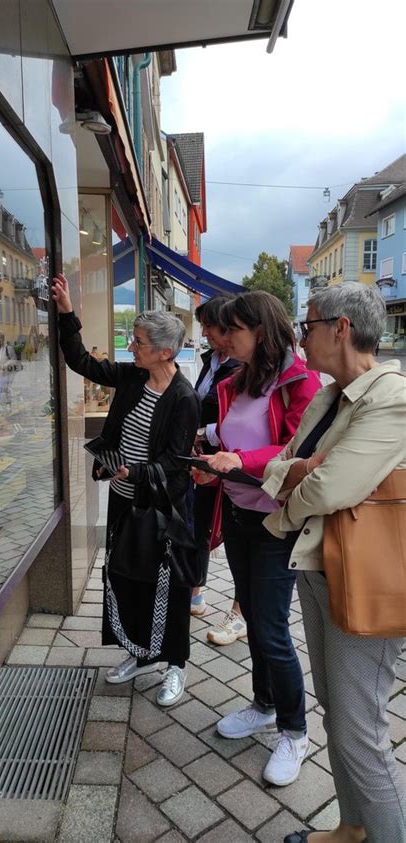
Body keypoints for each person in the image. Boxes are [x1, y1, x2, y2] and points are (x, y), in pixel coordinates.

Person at [262, 283, 406, 843]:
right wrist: (302, 474)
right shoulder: (329, 396)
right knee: (335, 714)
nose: (302, 336)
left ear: (340, 329)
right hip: (320, 567)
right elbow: (286, 465)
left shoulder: (390, 398)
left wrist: (302, 480)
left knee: (359, 733)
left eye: (308, 325)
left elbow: (329, 487)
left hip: (365, 580)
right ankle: (352, 828)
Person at [52, 274, 200, 707]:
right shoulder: (133, 378)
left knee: (165, 585)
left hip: (159, 507)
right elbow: (82, 362)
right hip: (123, 499)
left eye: (137, 342)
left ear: (164, 351)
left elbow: (176, 464)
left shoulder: (183, 399)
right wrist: (66, 313)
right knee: (124, 577)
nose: (129, 347)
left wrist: (134, 474)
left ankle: (175, 664)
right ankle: (140, 652)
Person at [195, 291, 321, 786]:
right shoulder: (238, 379)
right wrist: (213, 466)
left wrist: (238, 463)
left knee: (270, 629)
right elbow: (233, 441)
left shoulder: (301, 383)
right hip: (240, 514)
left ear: (261, 331)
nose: (221, 338)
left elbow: (297, 451)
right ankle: (264, 705)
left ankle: (295, 731)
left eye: (231, 330)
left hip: (275, 523)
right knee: (252, 618)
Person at [189, 297, 247, 647]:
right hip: (208, 457)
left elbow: (238, 422)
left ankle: (240, 614)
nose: (205, 332)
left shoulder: (244, 365)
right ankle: (195, 592)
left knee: (239, 532)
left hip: (235, 460)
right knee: (199, 522)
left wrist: (202, 433)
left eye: (209, 326)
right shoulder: (212, 359)